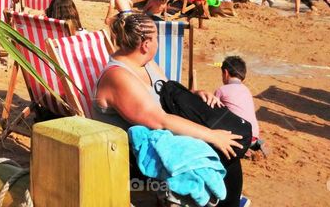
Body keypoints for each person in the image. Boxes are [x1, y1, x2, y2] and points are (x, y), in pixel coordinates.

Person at [93, 13, 247, 207]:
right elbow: (160, 120)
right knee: (218, 154)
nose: (158, 42)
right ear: (146, 45)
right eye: (156, 37)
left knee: (227, 153)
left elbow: (168, 94)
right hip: (136, 156)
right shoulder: (118, 77)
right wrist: (212, 135)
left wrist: (195, 94)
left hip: (161, 135)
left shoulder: (145, 63)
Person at [214, 56, 263, 152]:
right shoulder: (246, 90)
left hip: (239, 139)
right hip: (254, 135)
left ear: (226, 73)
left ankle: (242, 148)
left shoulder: (222, 90)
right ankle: (251, 145)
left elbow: (214, 112)